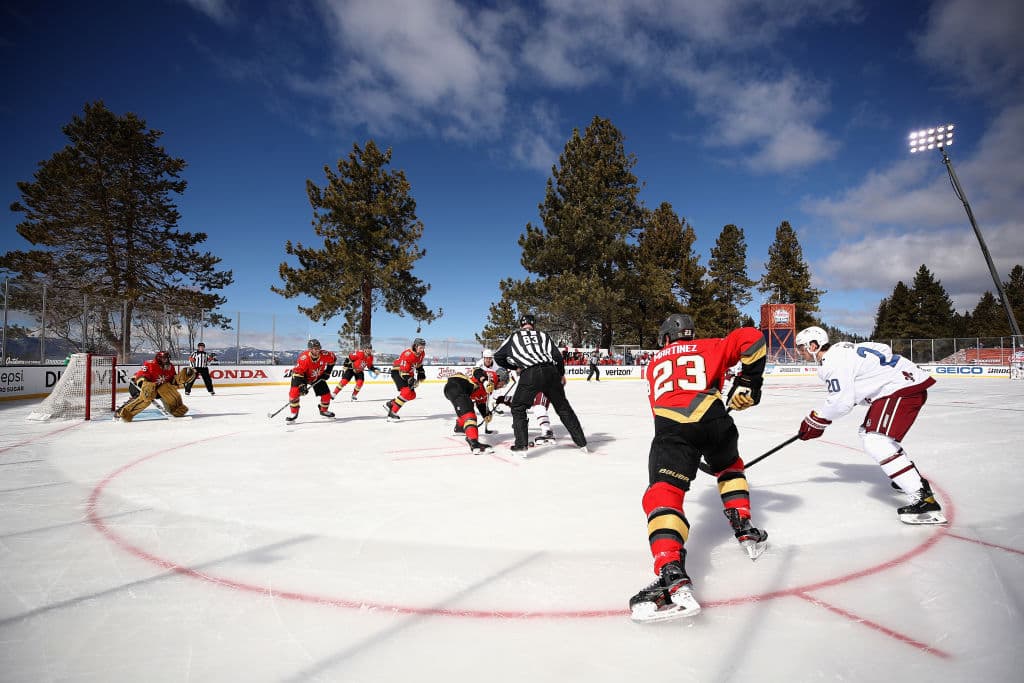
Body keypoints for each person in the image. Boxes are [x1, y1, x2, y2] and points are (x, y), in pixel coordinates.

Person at [629, 313, 768, 623]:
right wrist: (749, 382)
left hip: (673, 426)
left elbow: (661, 402)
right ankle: (744, 527)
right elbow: (752, 337)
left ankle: (671, 572)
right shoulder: (710, 345)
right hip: (715, 419)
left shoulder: (653, 364)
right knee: (729, 467)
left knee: (663, 493)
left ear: (666, 338)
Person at [794, 326, 945, 525]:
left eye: (801, 347)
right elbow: (882, 350)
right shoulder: (843, 349)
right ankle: (910, 480)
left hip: (900, 389)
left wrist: (816, 421)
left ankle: (924, 501)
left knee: (876, 441)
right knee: (870, 435)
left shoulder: (832, 362)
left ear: (814, 346)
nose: (799, 352)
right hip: (900, 386)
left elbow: (841, 403)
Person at [493, 313, 586, 455]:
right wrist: (561, 374)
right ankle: (582, 443)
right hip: (551, 372)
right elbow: (557, 357)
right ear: (533, 324)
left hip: (530, 373)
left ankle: (521, 446)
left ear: (521, 325)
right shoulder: (543, 335)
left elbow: (498, 356)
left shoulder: (514, 336)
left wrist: (516, 367)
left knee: (518, 407)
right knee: (563, 407)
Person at [116, 351, 193, 422]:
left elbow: (172, 381)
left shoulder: (170, 367)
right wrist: (145, 386)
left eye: (167, 358)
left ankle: (176, 410)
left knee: (167, 390)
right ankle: (121, 412)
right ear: (159, 358)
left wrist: (181, 378)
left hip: (156, 389)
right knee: (143, 398)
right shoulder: (150, 364)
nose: (166, 360)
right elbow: (141, 376)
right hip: (138, 386)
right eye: (164, 358)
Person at [444, 367, 496, 453]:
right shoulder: (489, 378)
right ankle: (474, 442)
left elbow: (480, 403)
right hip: (458, 384)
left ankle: (459, 428)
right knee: (470, 416)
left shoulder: (485, 391)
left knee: (465, 410)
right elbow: (477, 371)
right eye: (504, 382)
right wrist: (485, 382)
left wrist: (485, 414)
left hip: (455, 389)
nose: (502, 385)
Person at [286, 339, 336, 423]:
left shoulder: (325, 354)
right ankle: (293, 413)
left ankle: (323, 411)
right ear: (310, 349)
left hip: (317, 376)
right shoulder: (304, 358)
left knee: (326, 395)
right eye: (315, 348)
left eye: (318, 348)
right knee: (294, 393)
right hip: (302, 376)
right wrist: (301, 385)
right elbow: (298, 373)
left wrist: (328, 371)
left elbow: (333, 359)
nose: (317, 350)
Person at [385, 337, 427, 421]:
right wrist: (410, 379)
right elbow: (403, 372)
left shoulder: (422, 354)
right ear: (415, 346)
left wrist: (421, 372)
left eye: (423, 347)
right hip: (398, 371)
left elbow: (418, 365)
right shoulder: (407, 354)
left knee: (412, 395)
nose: (422, 350)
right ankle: (392, 413)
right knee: (406, 392)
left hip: (408, 373)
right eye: (420, 347)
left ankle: (391, 403)